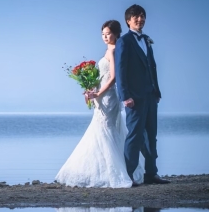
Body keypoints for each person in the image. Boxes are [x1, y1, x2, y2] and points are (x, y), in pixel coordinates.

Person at [55, 20, 144, 187]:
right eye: (103, 34)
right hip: (101, 97)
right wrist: (91, 90)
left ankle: (116, 172)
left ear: (116, 34)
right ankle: (103, 170)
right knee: (101, 131)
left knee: (106, 131)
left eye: (108, 34)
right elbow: (102, 77)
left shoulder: (114, 50)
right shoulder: (107, 50)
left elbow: (114, 77)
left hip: (108, 98)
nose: (105, 37)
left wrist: (98, 93)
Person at [114, 5, 169, 185]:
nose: (140, 19)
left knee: (151, 135)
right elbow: (120, 71)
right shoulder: (124, 41)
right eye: (136, 17)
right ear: (128, 20)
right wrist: (125, 96)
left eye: (142, 16)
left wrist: (156, 91)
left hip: (150, 95)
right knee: (135, 135)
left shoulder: (146, 40)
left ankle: (151, 173)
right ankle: (129, 175)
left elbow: (152, 66)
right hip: (134, 98)